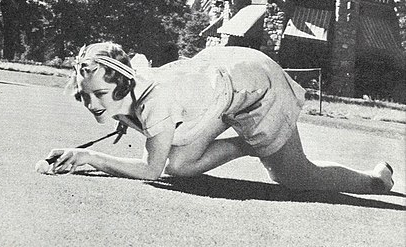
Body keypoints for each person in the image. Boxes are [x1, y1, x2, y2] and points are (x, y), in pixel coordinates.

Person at [45, 42, 394, 193]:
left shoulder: (154, 100)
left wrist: (87, 157)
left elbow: (150, 170)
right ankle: (247, 144)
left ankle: (376, 181)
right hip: (221, 81)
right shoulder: (128, 91)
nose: (91, 103)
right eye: (86, 94)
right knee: (179, 163)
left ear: (121, 84)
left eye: (100, 94)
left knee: (296, 177)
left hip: (254, 84)